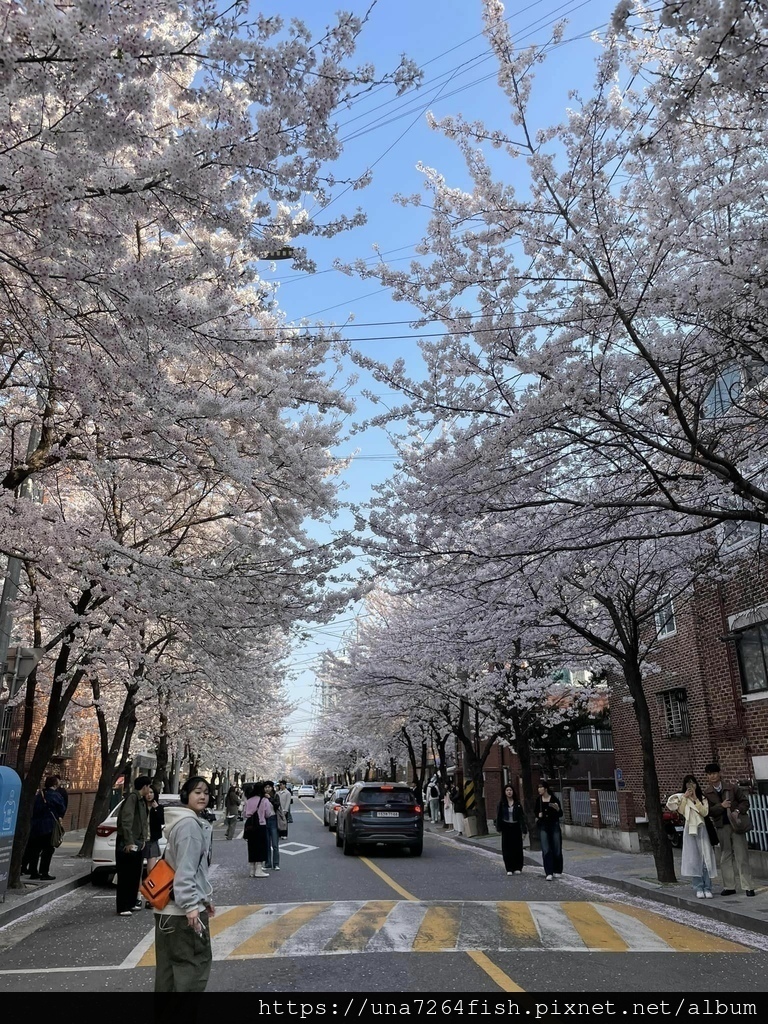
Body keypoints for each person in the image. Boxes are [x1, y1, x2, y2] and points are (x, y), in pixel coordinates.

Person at [154, 775, 215, 994]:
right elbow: (186, 870)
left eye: (206, 793)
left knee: (168, 971)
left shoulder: (180, 822)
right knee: (192, 968)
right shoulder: (190, 826)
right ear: (185, 795)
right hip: (182, 914)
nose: (203, 796)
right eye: (197, 792)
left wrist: (204, 898)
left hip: (167, 911)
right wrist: (192, 906)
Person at [703, 762, 754, 897]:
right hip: (722, 826)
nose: (712, 776)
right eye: (709, 774)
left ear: (719, 773)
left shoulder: (732, 788)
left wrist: (737, 810)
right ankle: (729, 886)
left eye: (714, 773)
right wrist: (721, 806)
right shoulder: (707, 793)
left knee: (741, 854)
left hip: (736, 825)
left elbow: (745, 802)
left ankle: (748, 885)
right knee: (725, 855)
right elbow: (707, 811)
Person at [666, 774, 716, 898]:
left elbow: (704, 812)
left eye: (693, 783)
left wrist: (695, 799)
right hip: (690, 829)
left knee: (705, 858)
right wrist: (685, 798)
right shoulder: (682, 798)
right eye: (688, 784)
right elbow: (681, 811)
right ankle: (698, 886)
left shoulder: (702, 798)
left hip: (702, 829)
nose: (691, 786)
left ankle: (707, 887)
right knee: (694, 858)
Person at [115, 775, 151, 916]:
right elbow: (126, 820)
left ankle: (130, 903)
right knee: (126, 875)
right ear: (144, 787)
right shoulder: (133, 798)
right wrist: (129, 841)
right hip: (129, 841)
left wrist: (142, 840)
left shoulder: (141, 800)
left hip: (138, 841)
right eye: (148, 786)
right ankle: (123, 906)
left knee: (135, 875)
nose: (150, 789)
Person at [25, 776, 66, 880]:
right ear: (54, 784)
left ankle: (33, 871)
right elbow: (62, 808)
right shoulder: (55, 795)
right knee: (48, 850)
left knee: (35, 850)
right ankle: (44, 873)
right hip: (49, 826)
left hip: (35, 826)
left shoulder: (39, 795)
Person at [495, 783, 527, 874]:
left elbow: (521, 817)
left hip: (516, 827)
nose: (509, 792)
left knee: (517, 847)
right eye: (507, 790)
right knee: (507, 848)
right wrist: (499, 828)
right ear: (505, 792)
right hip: (506, 827)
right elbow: (499, 816)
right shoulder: (501, 804)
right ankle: (509, 868)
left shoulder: (517, 804)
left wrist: (524, 830)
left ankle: (518, 867)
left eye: (510, 790)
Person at [535, 780, 563, 880]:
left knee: (556, 848)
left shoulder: (554, 799)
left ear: (545, 788)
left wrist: (557, 809)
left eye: (541, 787)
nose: (539, 789)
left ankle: (557, 870)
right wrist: (538, 816)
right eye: (538, 787)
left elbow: (561, 814)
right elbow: (535, 813)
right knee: (546, 849)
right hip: (543, 827)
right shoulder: (538, 800)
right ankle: (548, 872)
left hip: (554, 826)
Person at [242, 782, 270, 877]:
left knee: (252, 847)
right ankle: (258, 870)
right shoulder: (264, 800)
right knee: (261, 847)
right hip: (261, 825)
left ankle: (251, 870)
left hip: (250, 827)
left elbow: (245, 814)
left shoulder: (249, 800)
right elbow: (268, 814)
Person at [144, 786, 165, 906]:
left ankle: (150, 898)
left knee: (151, 871)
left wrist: (156, 809)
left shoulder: (159, 808)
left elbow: (162, 821)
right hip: (140, 841)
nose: (149, 795)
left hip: (151, 841)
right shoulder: (141, 807)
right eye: (147, 792)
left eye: (152, 792)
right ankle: (136, 897)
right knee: (137, 872)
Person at [264, 781, 280, 870]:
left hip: (273, 819)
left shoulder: (275, 795)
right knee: (266, 844)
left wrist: (270, 798)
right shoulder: (262, 797)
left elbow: (277, 805)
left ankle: (276, 864)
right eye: (266, 787)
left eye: (269, 787)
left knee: (275, 844)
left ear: (272, 788)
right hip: (265, 820)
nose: (267, 789)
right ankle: (267, 863)